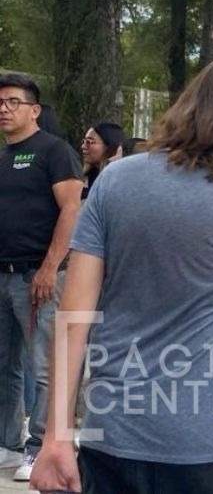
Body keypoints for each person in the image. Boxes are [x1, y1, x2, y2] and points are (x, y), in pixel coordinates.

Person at [31, 55, 213, 494]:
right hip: (210, 443)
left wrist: (55, 436)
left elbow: (73, 316)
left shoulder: (116, 179)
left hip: (112, 436)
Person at [0, 73, 83, 481]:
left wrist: (50, 267)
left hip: (39, 276)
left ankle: (42, 446)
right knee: (4, 365)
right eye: (0, 102)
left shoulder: (54, 151)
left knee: (46, 366)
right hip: (2, 274)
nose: (3, 108)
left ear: (34, 110)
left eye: (13, 101)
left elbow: (72, 209)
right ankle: (7, 444)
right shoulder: (1, 158)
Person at [79, 122, 125, 200]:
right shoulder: (86, 177)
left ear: (109, 146)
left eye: (89, 142)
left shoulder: (121, 178)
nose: (83, 146)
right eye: (84, 141)